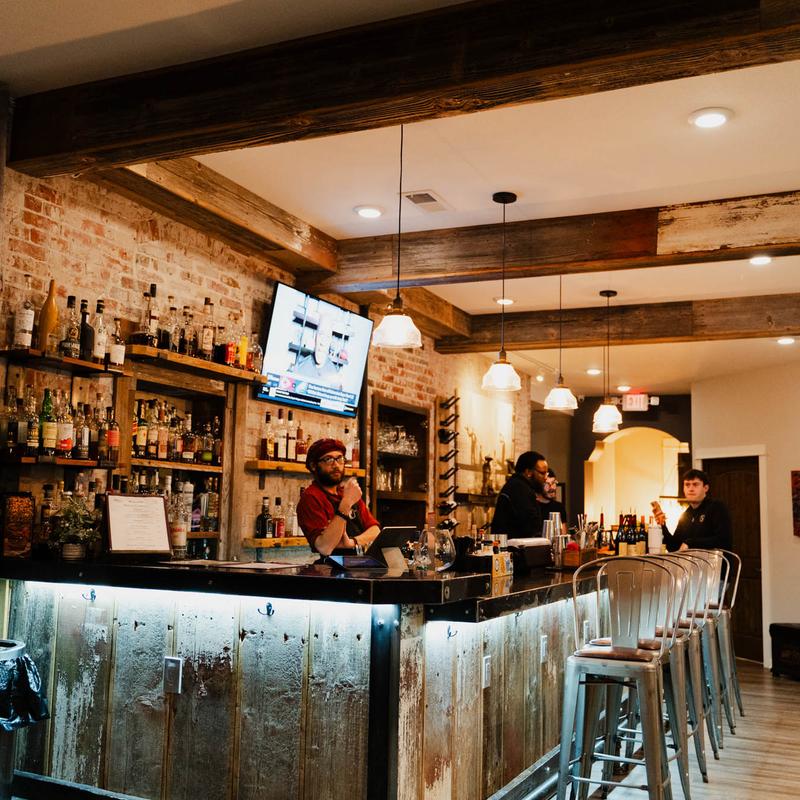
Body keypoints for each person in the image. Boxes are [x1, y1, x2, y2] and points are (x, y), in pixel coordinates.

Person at [296, 438, 380, 556]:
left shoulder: (346, 492)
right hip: (330, 565)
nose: (336, 465)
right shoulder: (311, 497)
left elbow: (375, 531)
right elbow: (324, 547)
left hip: (360, 562)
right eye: (328, 459)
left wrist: (351, 543)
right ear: (313, 466)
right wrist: (346, 504)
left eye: (339, 459)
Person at [653, 468, 732, 552]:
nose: (691, 489)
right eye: (687, 485)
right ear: (683, 489)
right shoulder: (686, 515)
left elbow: (723, 540)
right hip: (691, 560)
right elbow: (674, 547)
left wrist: (690, 543)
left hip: (715, 560)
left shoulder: (717, 507)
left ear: (705, 488)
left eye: (695, 484)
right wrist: (662, 525)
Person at [491, 451, 548, 539]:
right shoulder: (519, 488)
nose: (545, 478)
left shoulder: (519, 485)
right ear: (528, 472)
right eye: (542, 473)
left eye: (546, 473)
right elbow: (531, 526)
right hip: (513, 546)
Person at [293, 316, 341, 384]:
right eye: (321, 334)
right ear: (315, 337)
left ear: (330, 341)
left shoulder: (334, 377)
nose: (323, 343)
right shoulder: (299, 368)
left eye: (327, 337)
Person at [537, 468, 567, 535]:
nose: (552, 487)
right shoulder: (532, 507)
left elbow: (563, 535)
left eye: (553, 483)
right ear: (539, 486)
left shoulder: (559, 507)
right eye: (547, 484)